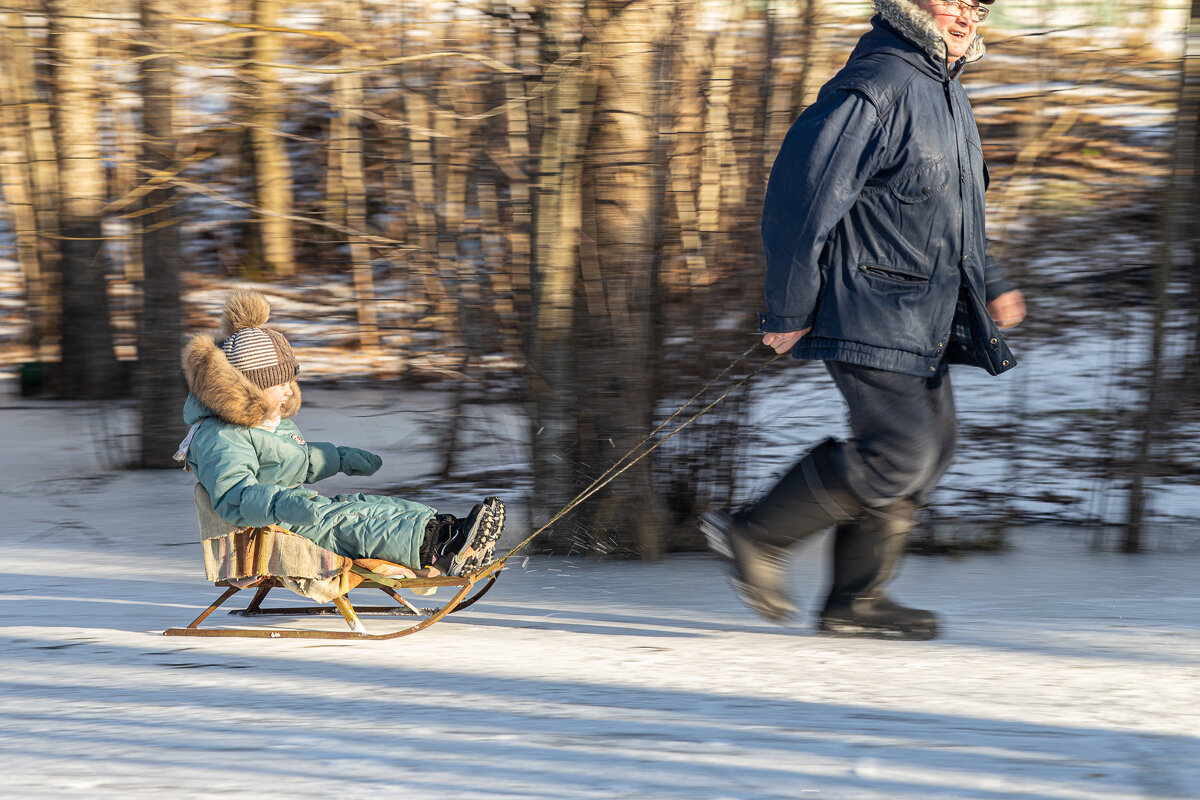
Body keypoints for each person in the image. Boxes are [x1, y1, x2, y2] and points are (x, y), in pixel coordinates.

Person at [701, 0, 1026, 640]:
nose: (967, 17)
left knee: (929, 454)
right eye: (953, 1)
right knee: (902, 452)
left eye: (978, 6)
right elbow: (802, 203)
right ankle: (755, 534)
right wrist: (789, 307)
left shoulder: (947, 96)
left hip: (922, 312)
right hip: (868, 306)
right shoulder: (876, 86)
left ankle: (857, 602)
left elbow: (957, 212)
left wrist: (992, 282)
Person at [176, 289, 505, 579]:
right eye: (280, 385)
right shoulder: (220, 438)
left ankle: (452, 532)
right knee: (357, 525)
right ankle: (437, 551)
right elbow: (235, 495)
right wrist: (282, 503)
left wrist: (339, 457)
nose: (290, 393)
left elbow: (299, 461)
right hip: (272, 534)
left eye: (291, 383)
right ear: (248, 390)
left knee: (369, 507)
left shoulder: (268, 421)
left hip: (300, 513)